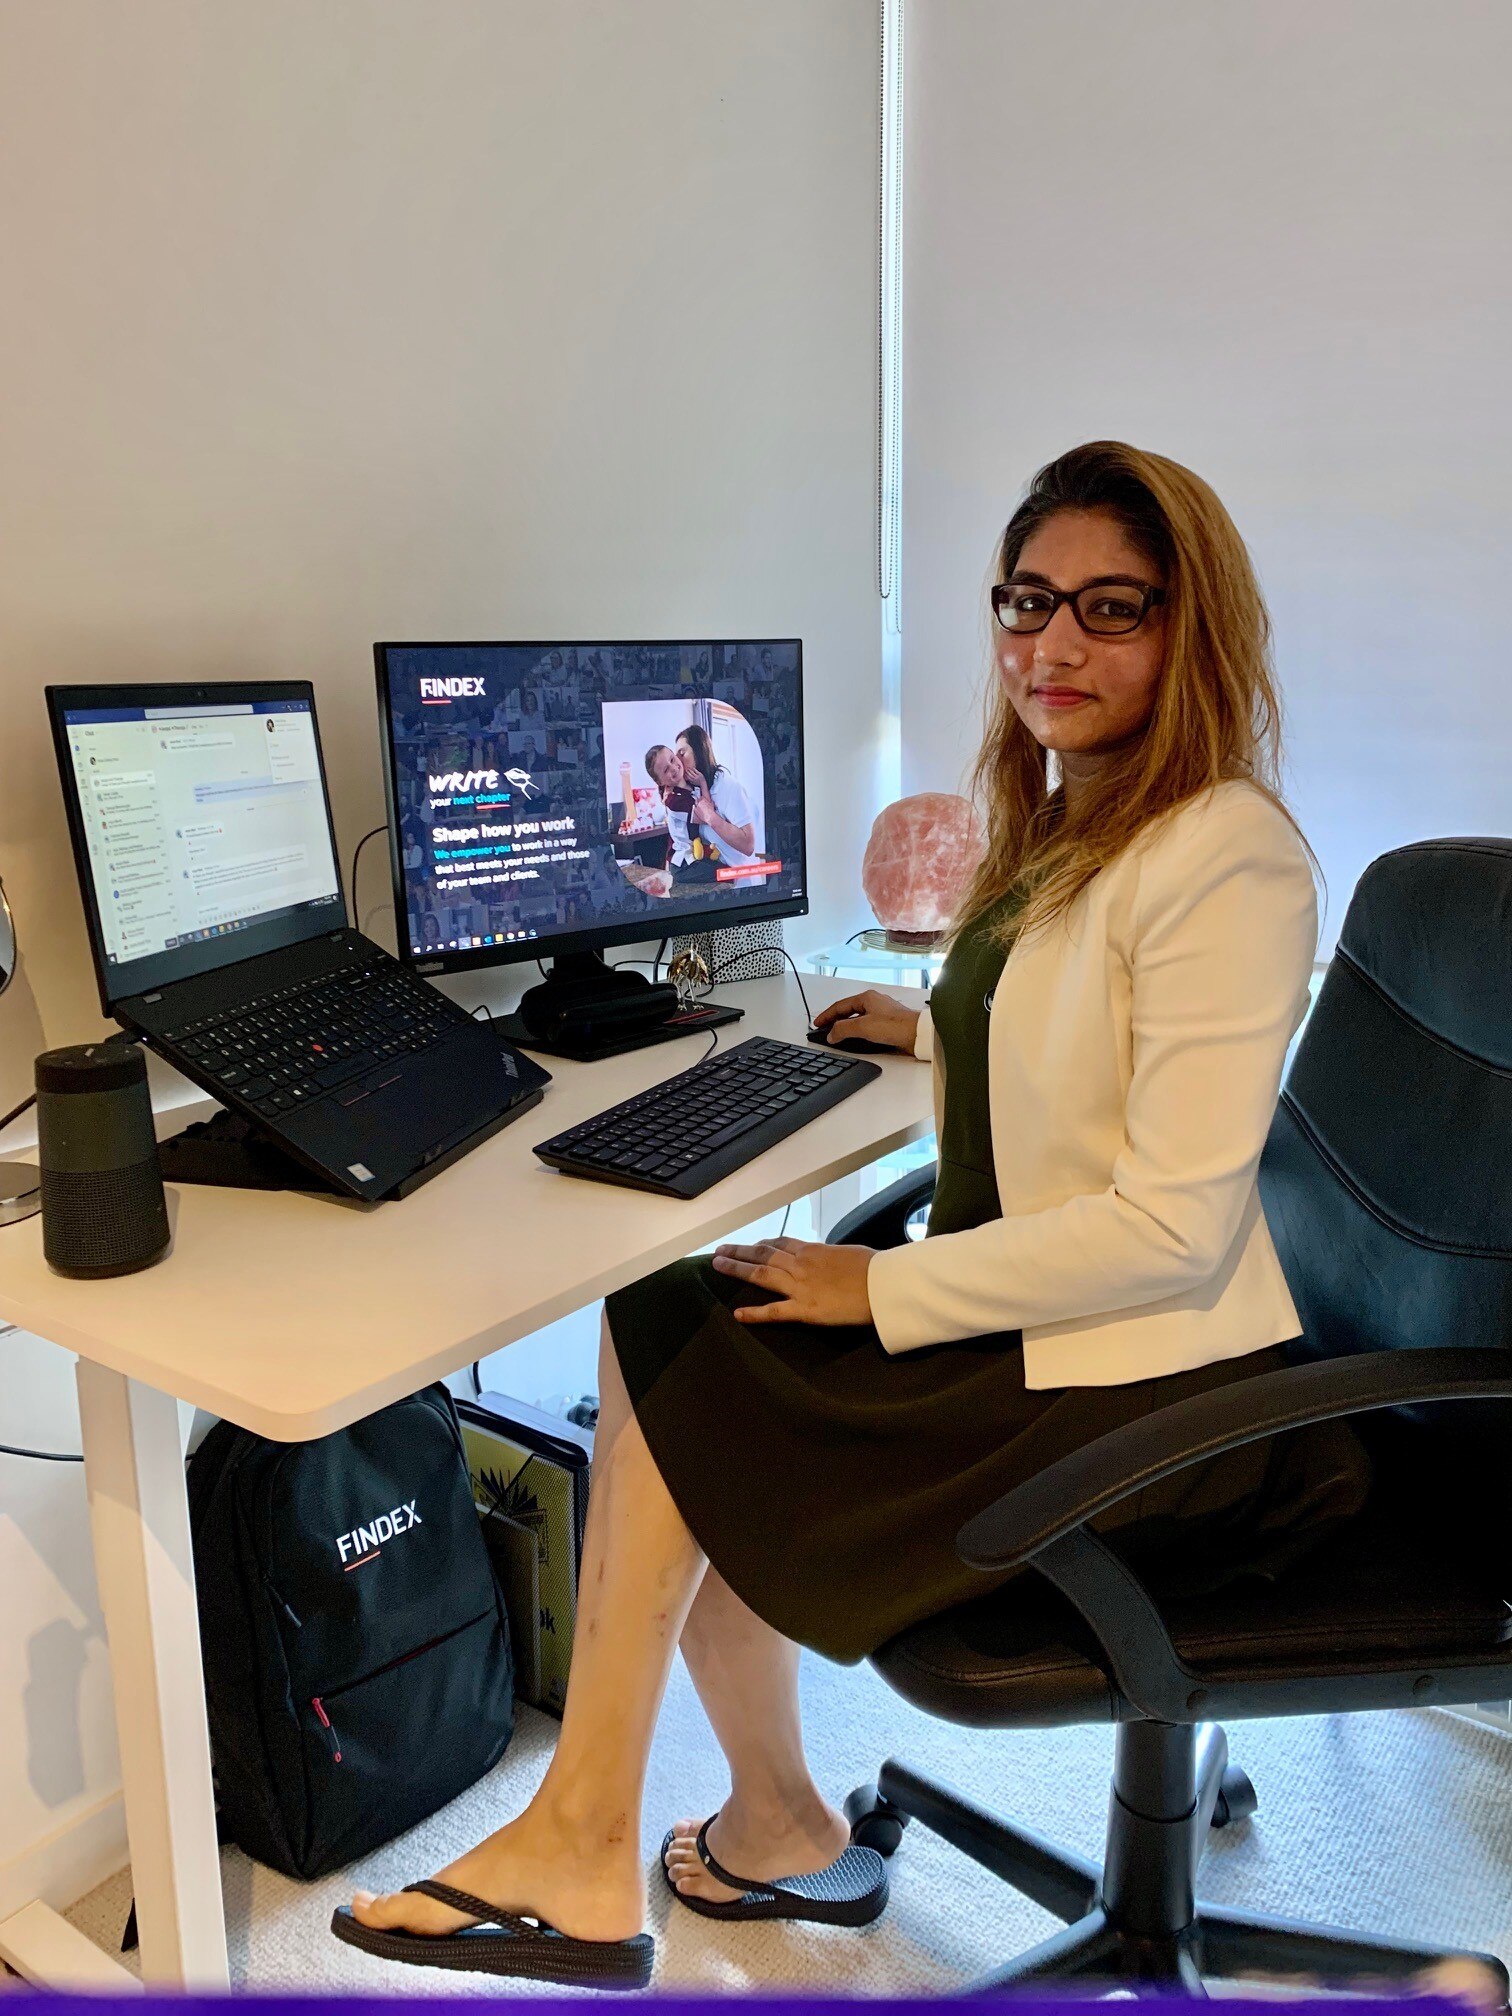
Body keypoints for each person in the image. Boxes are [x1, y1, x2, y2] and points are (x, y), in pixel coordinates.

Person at [338, 441, 1371, 1984]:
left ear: (1192, 628)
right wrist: (936, 1031)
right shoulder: (1074, 816)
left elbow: (1172, 1229)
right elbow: (1074, 1024)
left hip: (1164, 1390)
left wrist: (869, 1294)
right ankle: (767, 1830)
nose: (1054, 645)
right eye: (1028, 601)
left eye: (1112, 608)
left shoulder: (1227, 856)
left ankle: (592, 1841)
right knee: (675, 1319)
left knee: (698, 1352)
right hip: (1052, 1324)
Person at [675, 722, 760, 866]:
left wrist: (710, 817)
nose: (677, 761)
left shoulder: (728, 787)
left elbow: (748, 845)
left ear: (699, 750)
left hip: (738, 877)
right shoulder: (694, 789)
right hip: (713, 872)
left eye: (682, 754)